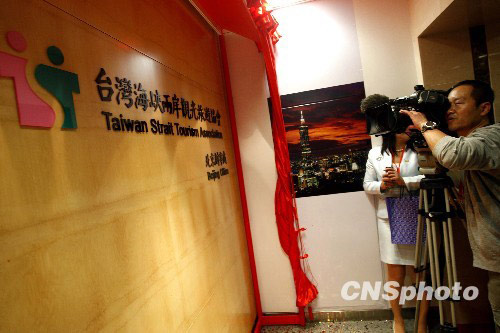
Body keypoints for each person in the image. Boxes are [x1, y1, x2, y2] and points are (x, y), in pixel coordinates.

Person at [400, 80, 499, 332]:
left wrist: (425, 123)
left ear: (484, 107)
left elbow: (454, 154)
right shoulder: (467, 142)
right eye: (448, 105)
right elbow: (448, 163)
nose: (450, 110)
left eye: (459, 103)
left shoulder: (493, 136)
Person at [361, 94, 429, 333]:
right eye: (404, 128)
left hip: (418, 216)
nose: (410, 131)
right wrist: (382, 186)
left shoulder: (421, 148)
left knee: (420, 272)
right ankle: (398, 319)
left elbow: (432, 178)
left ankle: (421, 322)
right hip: (389, 218)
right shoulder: (375, 154)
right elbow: (367, 184)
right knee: (394, 272)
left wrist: (405, 181)